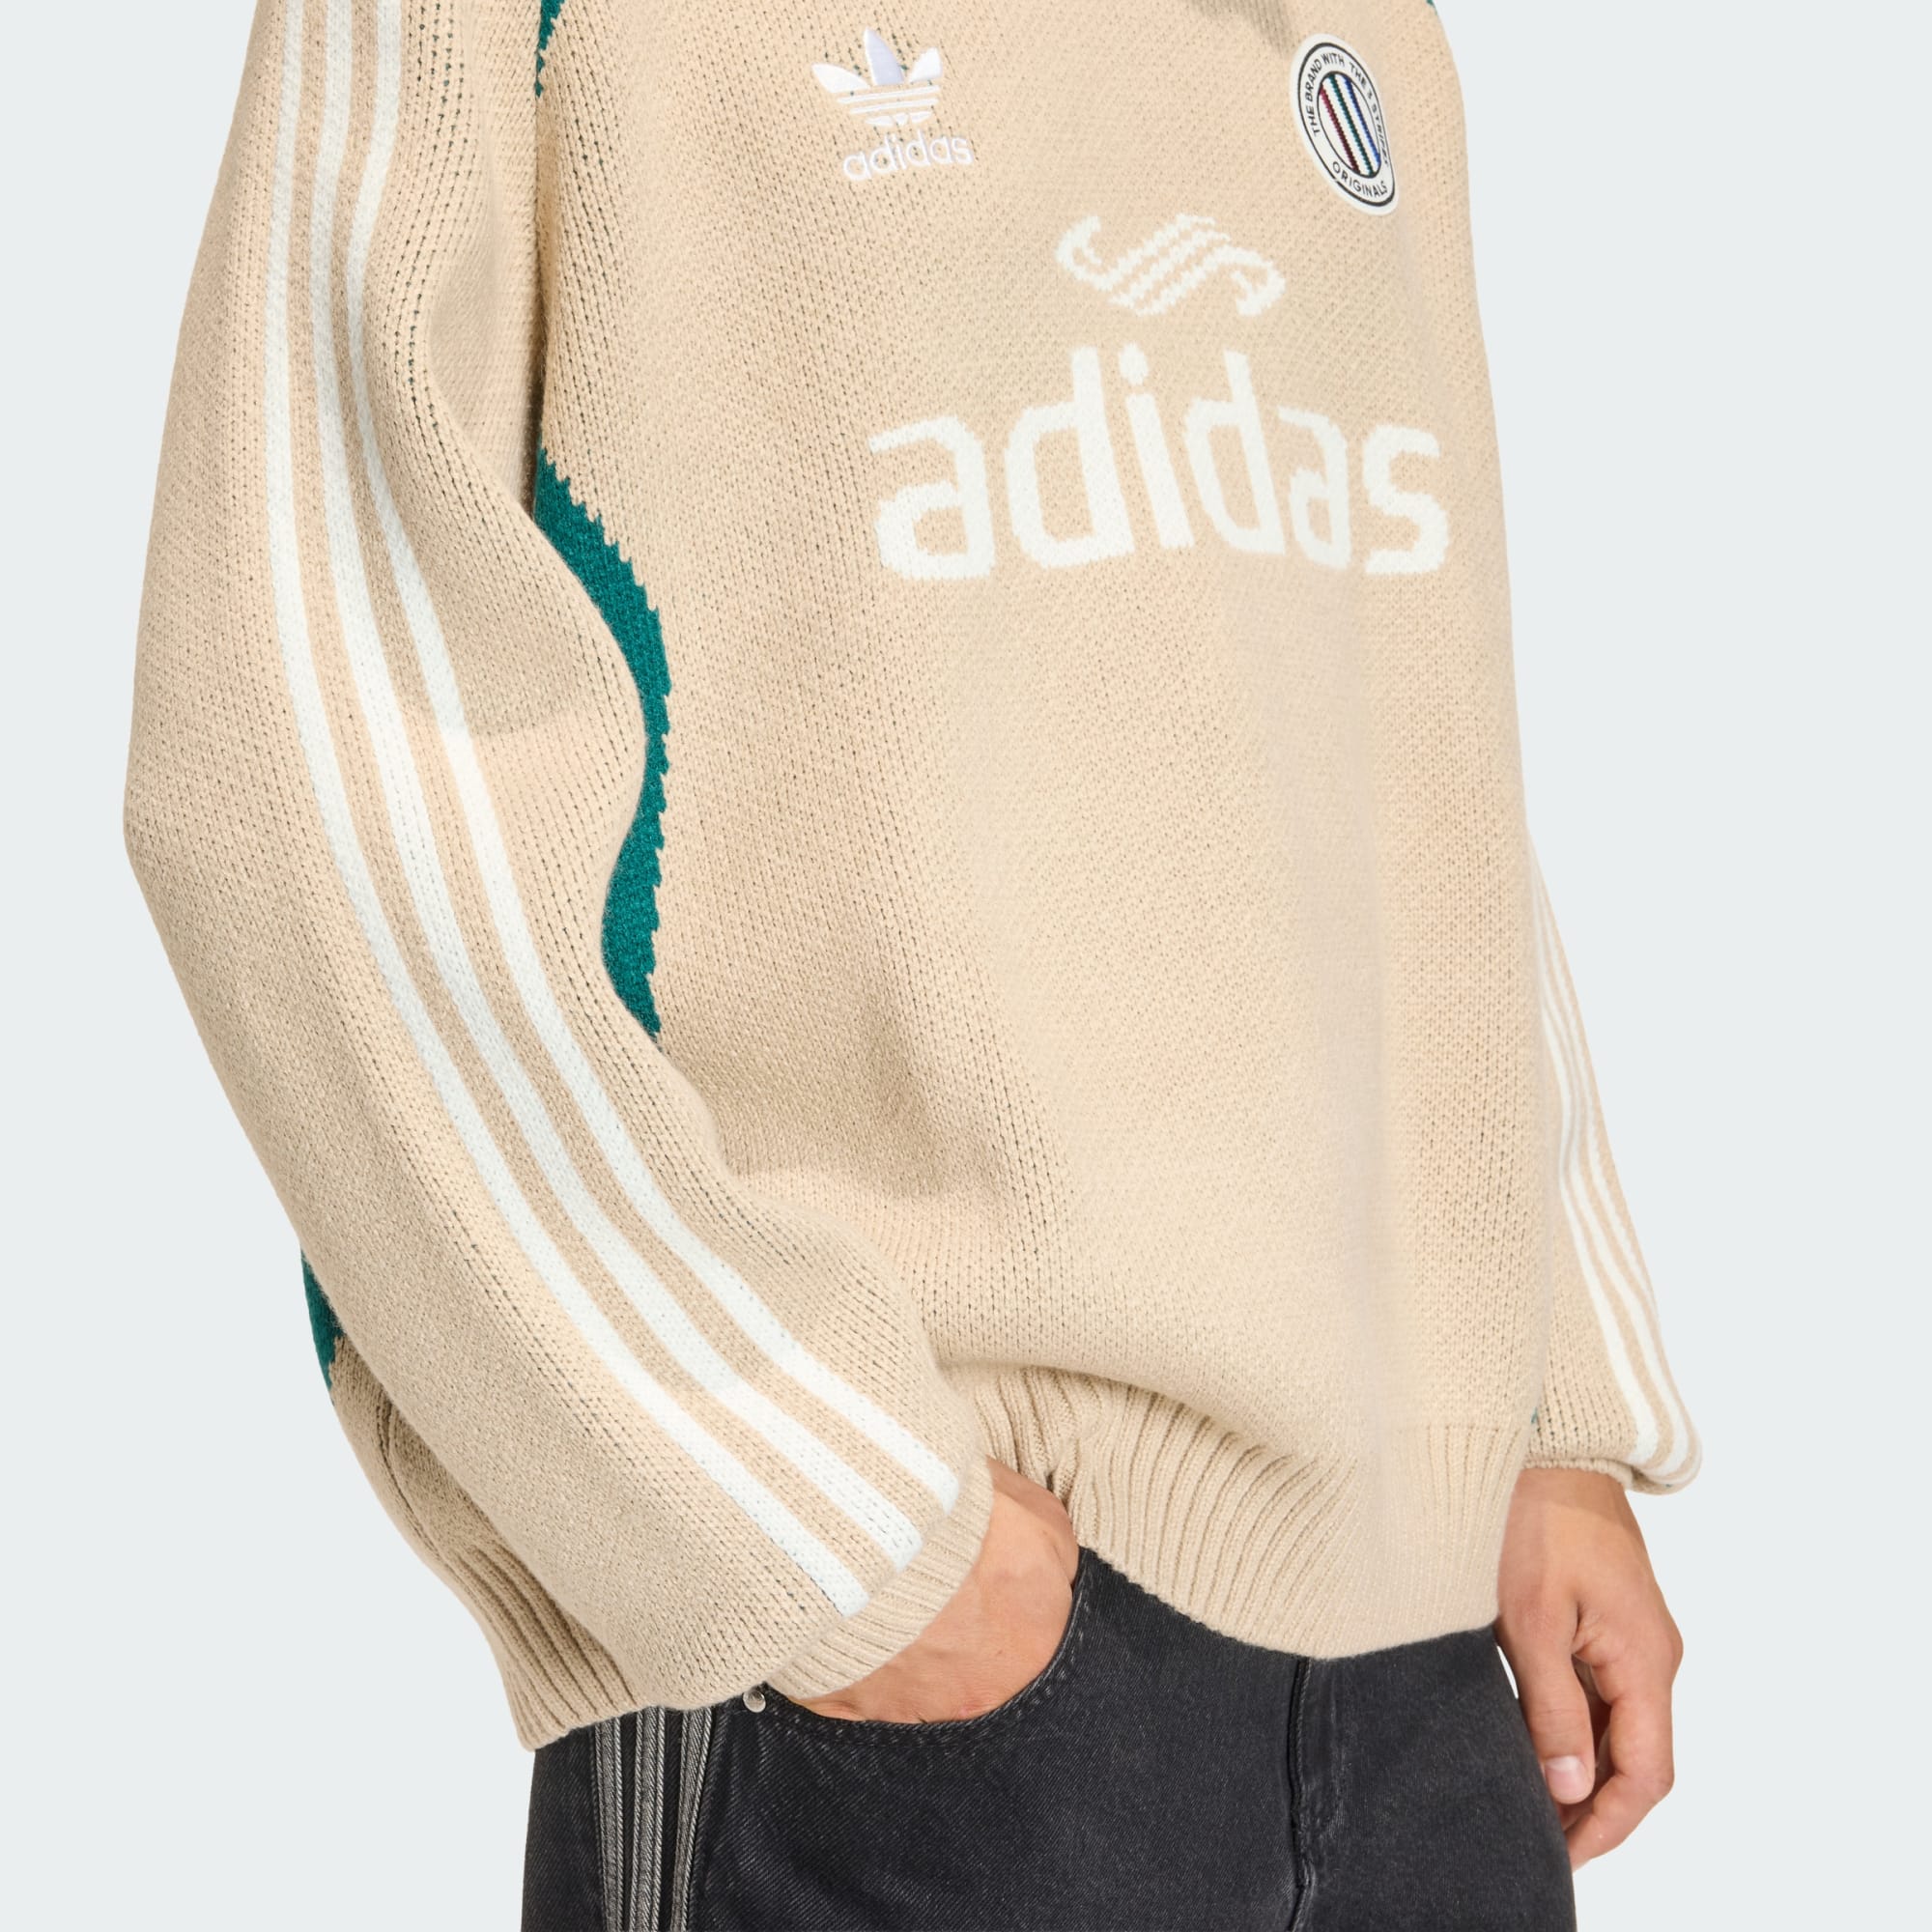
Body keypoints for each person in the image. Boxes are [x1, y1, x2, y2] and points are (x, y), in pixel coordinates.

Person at [127, 2, 1697, 1926]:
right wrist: (815, 1519)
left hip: (1438, 1662)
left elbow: (1401, 731)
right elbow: (304, 763)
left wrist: (1545, 1419)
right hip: (903, 1661)